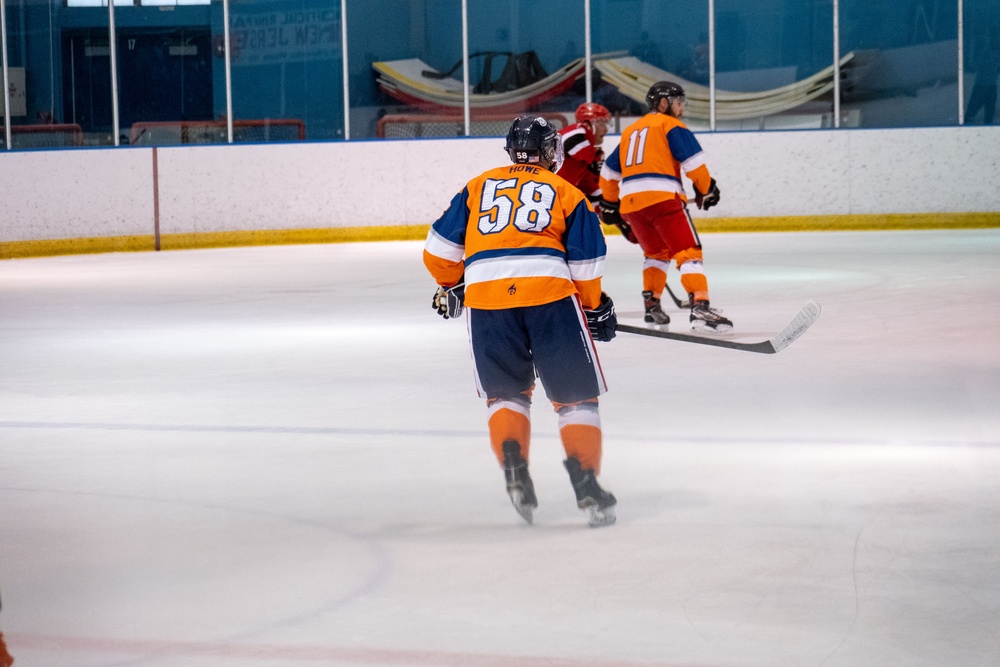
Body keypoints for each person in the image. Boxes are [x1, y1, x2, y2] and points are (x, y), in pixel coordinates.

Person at [423, 114, 618, 528]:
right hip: (550, 297)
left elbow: (438, 252)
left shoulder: (477, 186)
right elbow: (585, 264)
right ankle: (586, 486)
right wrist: (595, 306)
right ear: (550, 151)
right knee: (576, 400)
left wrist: (454, 284)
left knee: (506, 395)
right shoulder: (566, 191)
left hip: (487, 302)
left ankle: (514, 469)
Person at [599, 81, 733, 333]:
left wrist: (609, 202)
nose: (681, 109)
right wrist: (706, 189)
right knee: (688, 252)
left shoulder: (631, 131)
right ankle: (701, 308)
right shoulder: (671, 125)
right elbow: (693, 164)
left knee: (656, 254)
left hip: (631, 205)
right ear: (663, 103)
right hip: (663, 199)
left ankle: (652, 306)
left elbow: (608, 172)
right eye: (678, 102)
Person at [965, 30, 999, 125]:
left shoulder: (997, 51)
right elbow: (976, 65)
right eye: (994, 37)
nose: (996, 39)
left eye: (997, 37)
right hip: (981, 85)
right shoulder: (985, 51)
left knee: (990, 112)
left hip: (992, 86)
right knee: (972, 111)